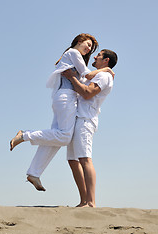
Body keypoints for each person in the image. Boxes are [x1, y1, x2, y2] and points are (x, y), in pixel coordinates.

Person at [10, 33, 113, 191]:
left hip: (63, 98)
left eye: (92, 48)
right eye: (88, 45)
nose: (89, 50)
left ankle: (34, 173)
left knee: (56, 136)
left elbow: (83, 79)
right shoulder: (73, 53)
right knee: (64, 137)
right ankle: (24, 135)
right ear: (79, 41)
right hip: (66, 98)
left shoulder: (70, 55)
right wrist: (106, 69)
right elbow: (86, 74)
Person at [62, 49, 118, 207]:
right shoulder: (99, 73)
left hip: (86, 119)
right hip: (77, 118)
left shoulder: (105, 76)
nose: (94, 56)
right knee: (73, 160)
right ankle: (83, 201)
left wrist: (72, 77)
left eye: (98, 55)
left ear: (106, 60)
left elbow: (87, 93)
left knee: (85, 159)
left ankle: (91, 202)